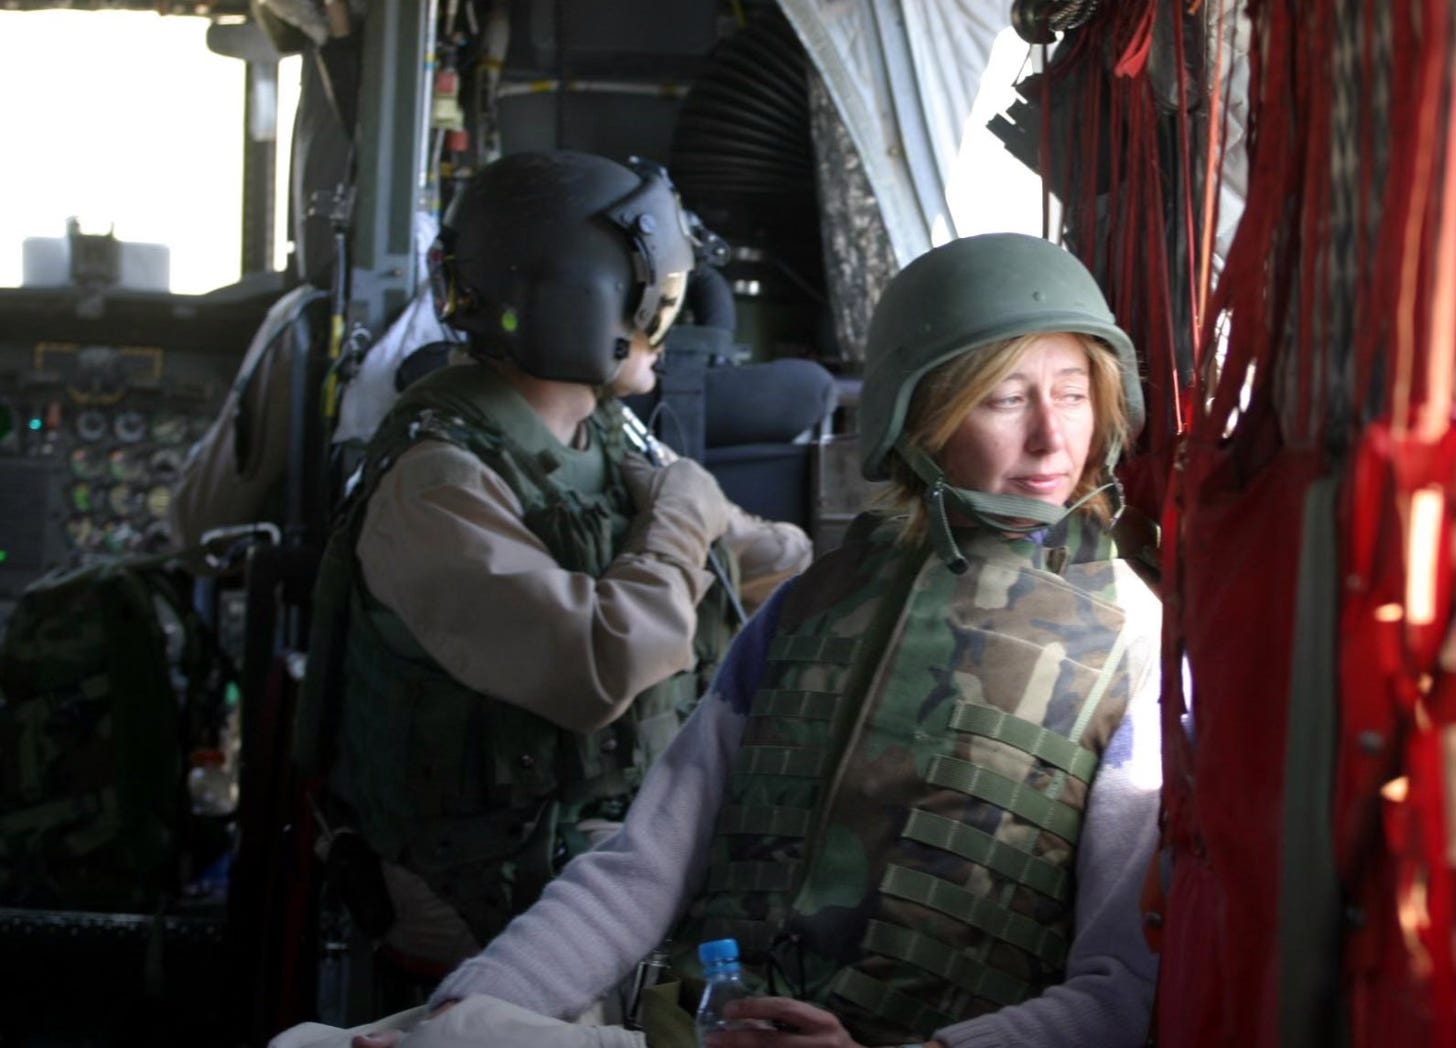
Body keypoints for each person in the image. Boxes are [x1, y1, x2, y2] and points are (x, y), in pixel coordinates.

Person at [332, 231, 1164, 1048]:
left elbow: (1121, 986)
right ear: (920, 417)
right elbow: (642, 869)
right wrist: (466, 1010)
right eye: (1006, 399)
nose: (1053, 439)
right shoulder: (813, 607)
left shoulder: (1131, 638)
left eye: (1074, 394)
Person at [295, 149, 814, 976]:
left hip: (589, 841)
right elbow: (599, 666)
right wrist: (681, 519)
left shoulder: (594, 431)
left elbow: (759, 555)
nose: (666, 318)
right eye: (655, 296)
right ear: (591, 302)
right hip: (481, 882)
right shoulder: (438, 483)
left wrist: (799, 562)